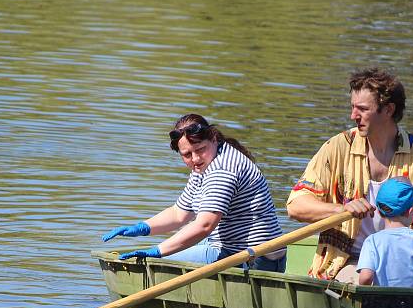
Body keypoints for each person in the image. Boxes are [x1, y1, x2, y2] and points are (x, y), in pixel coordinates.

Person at [286, 67, 413, 289]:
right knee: (372, 287)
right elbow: (295, 206)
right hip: (349, 262)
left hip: (407, 263)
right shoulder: (336, 147)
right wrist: (341, 210)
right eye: (353, 107)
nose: (353, 116)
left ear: (388, 110)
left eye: (362, 109)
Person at [102, 113, 286, 272]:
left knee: (151, 263)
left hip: (253, 259)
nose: (195, 159)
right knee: (168, 251)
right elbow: (179, 213)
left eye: (200, 150)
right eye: (187, 154)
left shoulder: (222, 170)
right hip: (231, 249)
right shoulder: (206, 164)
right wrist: (141, 228)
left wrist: (157, 252)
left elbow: (204, 226)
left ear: (213, 139)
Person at [357, 177, 413, 288]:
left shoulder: (372, 241)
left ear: (380, 213)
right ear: (410, 211)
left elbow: (366, 277)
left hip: (382, 302)